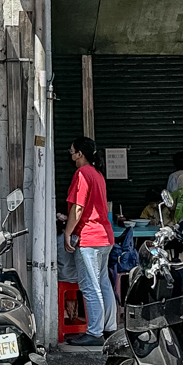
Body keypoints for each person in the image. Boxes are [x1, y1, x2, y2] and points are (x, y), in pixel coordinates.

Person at [64, 136, 116, 347]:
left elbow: (78, 208)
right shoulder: (97, 174)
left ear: (80, 154)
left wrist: (68, 232)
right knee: (104, 284)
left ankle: (94, 332)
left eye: (72, 151)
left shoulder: (82, 174)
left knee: (90, 286)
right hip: (105, 237)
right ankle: (110, 328)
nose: (71, 155)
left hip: (89, 237)